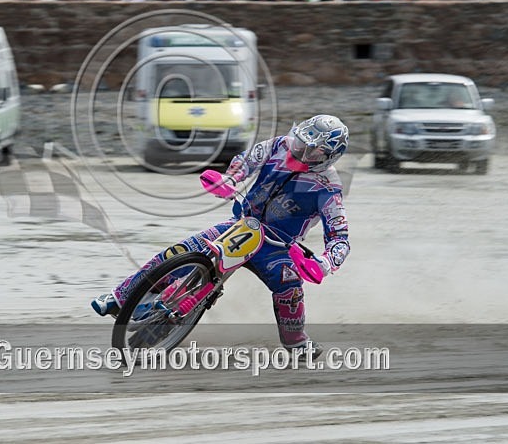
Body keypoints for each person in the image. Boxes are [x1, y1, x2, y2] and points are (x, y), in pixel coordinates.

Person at [91, 115, 351, 355]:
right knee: (180, 251)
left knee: (290, 286)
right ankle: (119, 297)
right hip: (241, 224)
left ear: (330, 157)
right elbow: (247, 159)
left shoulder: (329, 188)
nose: (301, 151)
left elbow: (340, 238)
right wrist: (230, 179)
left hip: (277, 244)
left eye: (312, 150)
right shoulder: (279, 145)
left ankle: (296, 342)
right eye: (301, 142)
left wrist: (324, 264)